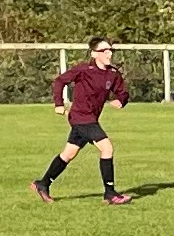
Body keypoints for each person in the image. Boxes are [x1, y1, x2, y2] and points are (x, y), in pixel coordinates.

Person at [35, 39, 131, 203]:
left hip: (91, 118)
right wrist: (58, 104)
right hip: (80, 118)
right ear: (94, 54)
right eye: (104, 50)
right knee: (107, 148)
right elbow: (59, 81)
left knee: (68, 154)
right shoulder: (84, 69)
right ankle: (110, 193)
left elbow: (122, 92)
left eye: (110, 50)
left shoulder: (113, 73)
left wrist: (121, 101)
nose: (109, 53)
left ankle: (42, 184)